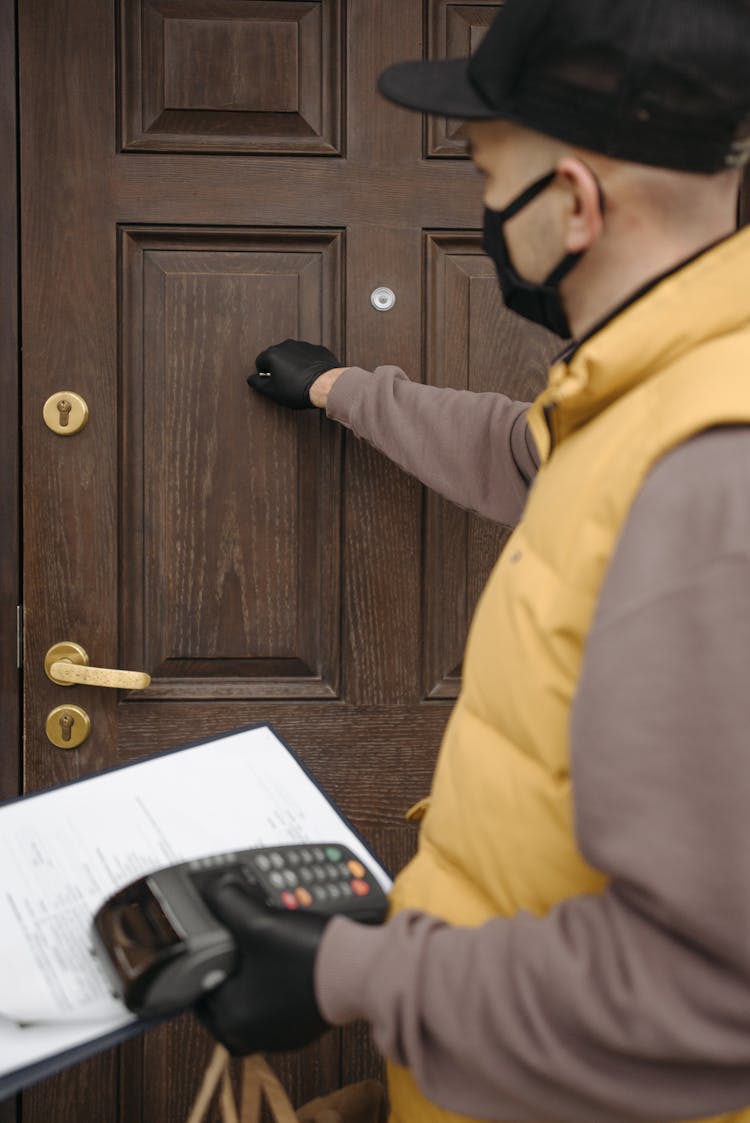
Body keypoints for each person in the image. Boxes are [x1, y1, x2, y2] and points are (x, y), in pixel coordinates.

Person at [196, 2, 750, 1120]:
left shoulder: (715, 473)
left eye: (489, 178)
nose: (485, 212)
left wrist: (344, 976)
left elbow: (711, 992)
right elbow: (520, 448)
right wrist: (339, 388)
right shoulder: (658, 392)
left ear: (576, 204)